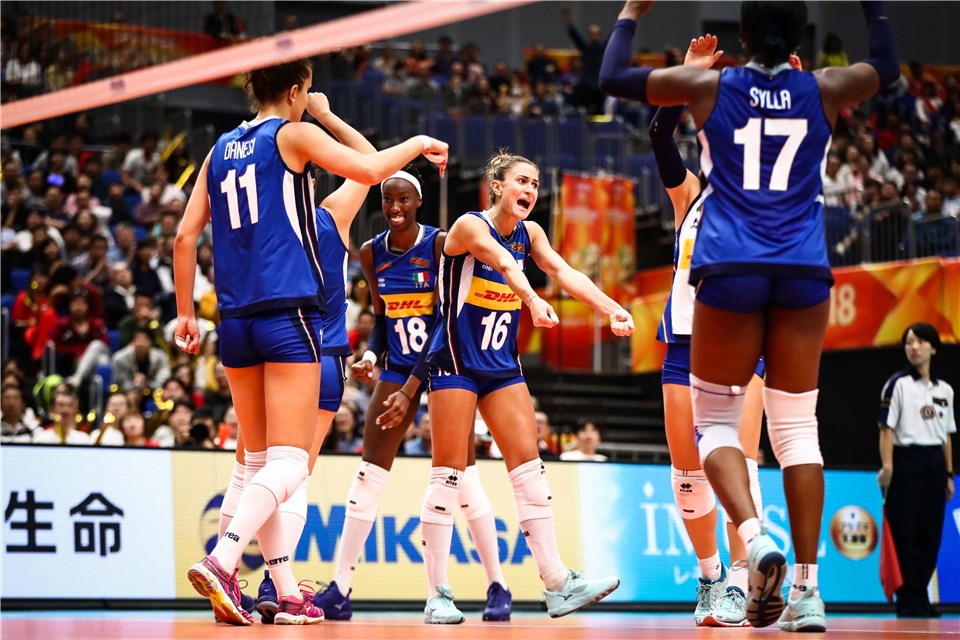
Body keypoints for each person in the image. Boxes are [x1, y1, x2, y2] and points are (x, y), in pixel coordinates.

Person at [599, 0, 899, 632]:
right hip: (793, 272)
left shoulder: (720, 99)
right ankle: (797, 589)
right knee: (797, 433)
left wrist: (633, 16)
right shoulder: (815, 93)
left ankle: (748, 552)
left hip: (730, 282)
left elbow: (614, 78)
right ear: (799, 45)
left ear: (742, 36)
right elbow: (885, 66)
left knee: (723, 433)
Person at [174, 57, 448, 626]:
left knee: (253, 465)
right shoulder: (296, 147)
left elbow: (183, 237)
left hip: (233, 321)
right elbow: (368, 166)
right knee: (291, 466)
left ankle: (278, 587)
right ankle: (225, 560)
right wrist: (420, 142)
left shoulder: (219, 148)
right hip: (290, 323)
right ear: (297, 90)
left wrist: (184, 314)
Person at [409, 151, 633, 623]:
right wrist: (531, 300)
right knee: (448, 475)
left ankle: (557, 582)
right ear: (496, 185)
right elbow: (506, 266)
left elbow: (564, 272)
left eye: (534, 184)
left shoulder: (530, 233)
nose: (530, 190)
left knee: (530, 471)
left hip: (500, 364)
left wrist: (610, 308)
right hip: (456, 360)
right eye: (521, 181)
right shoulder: (470, 226)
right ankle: (437, 595)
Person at [313, 165, 513, 623]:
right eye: (388, 199)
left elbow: (446, 320)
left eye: (403, 199)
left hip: (445, 367)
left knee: (463, 480)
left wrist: (411, 388)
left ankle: (497, 585)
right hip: (398, 368)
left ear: (418, 201)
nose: (395, 207)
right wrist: (370, 354)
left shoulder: (440, 244)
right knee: (368, 474)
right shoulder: (371, 253)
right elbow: (384, 321)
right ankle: (340, 589)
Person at [645, 34, 776, 627]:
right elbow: (658, 136)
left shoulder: (763, 203)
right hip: (684, 341)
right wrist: (688, 72)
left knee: (740, 463)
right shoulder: (691, 196)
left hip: (740, 343)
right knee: (687, 472)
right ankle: (710, 579)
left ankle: (748, 581)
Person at [878, 323, 955, 618]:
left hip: (934, 462)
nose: (914, 347)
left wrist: (948, 474)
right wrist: (888, 466)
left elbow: (946, 434)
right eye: (909, 342)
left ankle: (920, 594)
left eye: (920, 341)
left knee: (930, 532)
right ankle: (907, 599)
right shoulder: (897, 384)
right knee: (905, 531)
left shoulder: (945, 390)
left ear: (933, 348)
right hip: (906, 461)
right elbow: (886, 428)